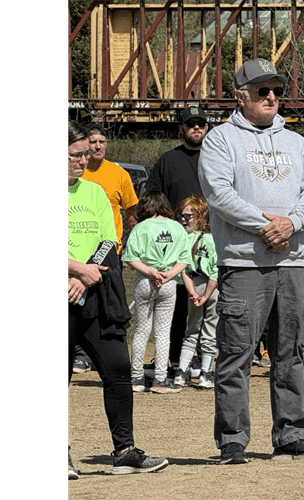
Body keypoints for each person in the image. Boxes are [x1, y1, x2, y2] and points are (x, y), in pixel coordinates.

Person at [198, 57, 304, 464]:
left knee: (290, 353)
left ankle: (290, 436)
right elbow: (218, 194)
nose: (271, 97)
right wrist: (264, 226)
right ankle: (233, 440)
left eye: (276, 90)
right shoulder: (220, 140)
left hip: (292, 263)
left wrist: (291, 223)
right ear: (241, 96)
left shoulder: (297, 143)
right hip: (244, 263)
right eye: (262, 90)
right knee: (236, 352)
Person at [68, 121, 168, 478]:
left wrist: (86, 273)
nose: (84, 160)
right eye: (75, 155)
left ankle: (124, 451)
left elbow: (108, 238)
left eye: (85, 154)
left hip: (96, 290)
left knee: (118, 368)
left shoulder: (93, 192)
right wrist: (75, 269)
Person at [145, 105, 211, 368]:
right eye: (191, 123)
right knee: (176, 305)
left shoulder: (216, 157)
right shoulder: (167, 160)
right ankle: (172, 359)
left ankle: (204, 360)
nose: (196, 127)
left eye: (201, 124)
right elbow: (153, 198)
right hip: (176, 243)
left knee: (210, 302)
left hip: (211, 242)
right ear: (181, 128)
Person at [74, 124, 139, 374]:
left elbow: (131, 211)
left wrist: (131, 240)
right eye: (93, 142)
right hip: (77, 253)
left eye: (102, 141)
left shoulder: (118, 174)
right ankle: (79, 353)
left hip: (109, 252)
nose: (98, 146)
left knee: (106, 307)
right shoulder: (77, 173)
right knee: (77, 305)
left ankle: (105, 354)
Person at [123, 192, 190, 394]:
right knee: (163, 332)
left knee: (142, 330)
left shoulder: (141, 228)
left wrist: (151, 272)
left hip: (145, 280)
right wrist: (168, 274)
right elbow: (184, 259)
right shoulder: (177, 228)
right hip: (168, 283)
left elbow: (130, 258)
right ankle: (160, 380)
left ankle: (136, 378)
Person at [173, 195, 219, 389]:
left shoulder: (197, 239)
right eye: (180, 216)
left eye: (188, 216)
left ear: (201, 217)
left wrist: (193, 293)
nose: (183, 220)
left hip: (200, 285)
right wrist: (203, 295)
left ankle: (182, 373)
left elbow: (184, 270)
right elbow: (214, 271)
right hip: (208, 287)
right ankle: (204, 374)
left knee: (192, 331)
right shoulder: (208, 239)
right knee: (208, 332)